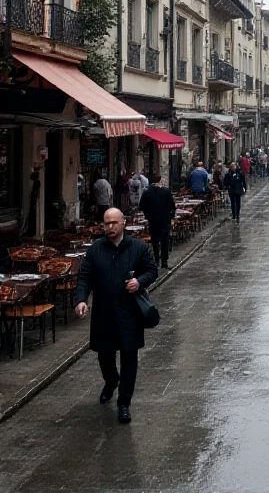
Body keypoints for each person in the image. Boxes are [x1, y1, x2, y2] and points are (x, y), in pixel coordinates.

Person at [74, 207, 158, 424]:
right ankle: (111, 381)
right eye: (106, 223)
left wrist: (139, 281)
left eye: (113, 223)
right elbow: (85, 277)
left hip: (129, 312)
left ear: (123, 224)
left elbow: (152, 270)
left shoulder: (138, 247)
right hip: (104, 312)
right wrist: (81, 299)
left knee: (129, 357)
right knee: (105, 355)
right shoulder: (96, 249)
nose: (109, 227)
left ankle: (124, 403)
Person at [139, 175, 176, 269]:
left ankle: (156, 260)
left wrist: (147, 215)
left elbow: (141, 207)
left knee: (155, 241)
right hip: (164, 220)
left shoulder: (147, 193)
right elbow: (172, 206)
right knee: (164, 241)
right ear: (160, 181)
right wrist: (170, 217)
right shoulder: (166, 192)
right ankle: (164, 261)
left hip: (152, 220)